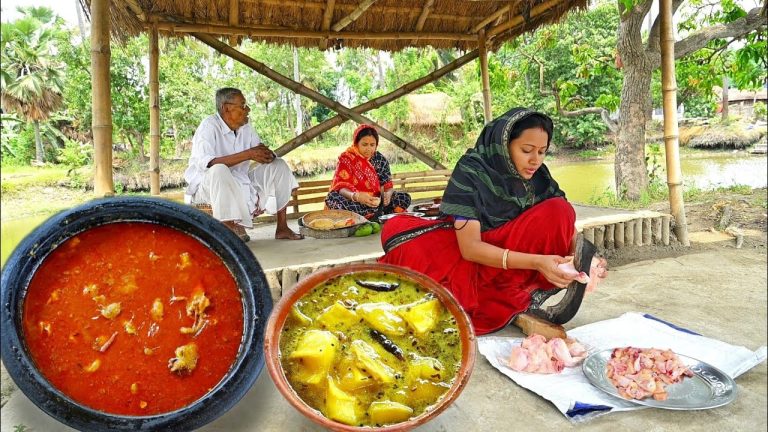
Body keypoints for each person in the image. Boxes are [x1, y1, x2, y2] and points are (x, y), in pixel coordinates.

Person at [378, 107, 607, 335]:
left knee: (560, 210)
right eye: (526, 150)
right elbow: (470, 248)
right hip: (473, 254)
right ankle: (503, 295)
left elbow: (563, 227)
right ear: (504, 144)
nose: (535, 160)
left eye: (542, 151)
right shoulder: (471, 171)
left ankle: (513, 290)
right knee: (398, 233)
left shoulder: (539, 177)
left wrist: (585, 261)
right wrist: (538, 262)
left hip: (511, 252)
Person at [184, 87, 304, 241]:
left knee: (278, 165)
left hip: (241, 181)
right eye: (243, 105)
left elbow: (258, 149)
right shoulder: (208, 126)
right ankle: (228, 230)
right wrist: (249, 154)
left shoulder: (246, 127)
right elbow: (208, 163)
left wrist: (266, 155)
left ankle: (282, 228)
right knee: (219, 169)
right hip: (208, 188)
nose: (248, 109)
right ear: (226, 108)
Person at [325, 124, 411, 220]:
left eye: (372, 145)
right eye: (364, 144)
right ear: (356, 143)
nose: (369, 148)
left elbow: (387, 186)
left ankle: (372, 216)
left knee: (404, 197)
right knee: (332, 197)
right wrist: (356, 196)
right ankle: (376, 216)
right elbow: (341, 188)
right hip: (356, 202)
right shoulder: (347, 158)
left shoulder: (380, 159)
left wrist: (388, 195)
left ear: (376, 145)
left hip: (377, 202)